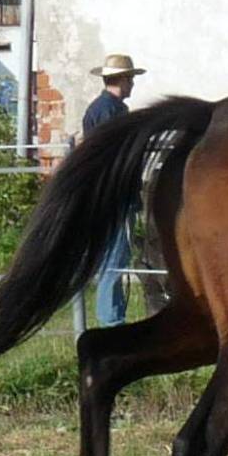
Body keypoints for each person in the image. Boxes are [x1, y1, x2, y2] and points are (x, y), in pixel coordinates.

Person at [83, 52, 145, 327]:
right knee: (114, 259)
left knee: (116, 258)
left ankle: (114, 318)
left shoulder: (107, 109)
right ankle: (111, 321)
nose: (132, 84)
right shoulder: (110, 112)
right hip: (113, 194)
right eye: (130, 79)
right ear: (122, 79)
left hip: (111, 192)